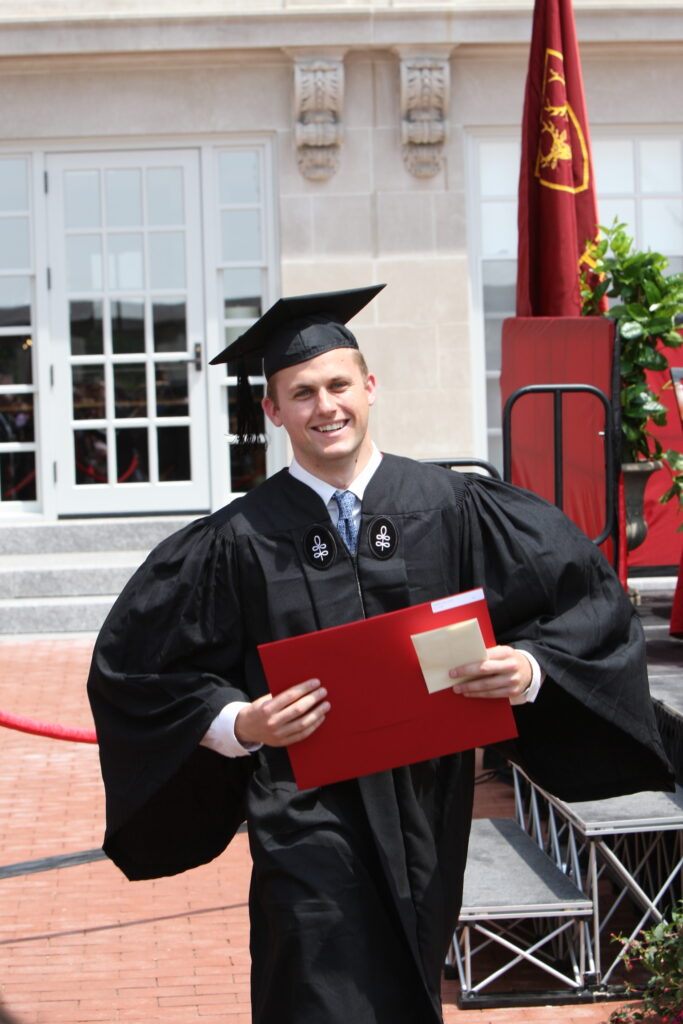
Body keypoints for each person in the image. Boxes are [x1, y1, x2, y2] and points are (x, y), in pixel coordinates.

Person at [88, 284, 673, 1024]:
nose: (324, 406)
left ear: (369, 388)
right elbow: (136, 670)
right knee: (316, 970)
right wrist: (242, 724)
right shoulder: (237, 539)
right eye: (300, 393)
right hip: (302, 800)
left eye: (337, 385)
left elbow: (584, 604)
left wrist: (527, 670)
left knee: (407, 978)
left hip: (428, 796)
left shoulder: (451, 504)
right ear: (273, 411)